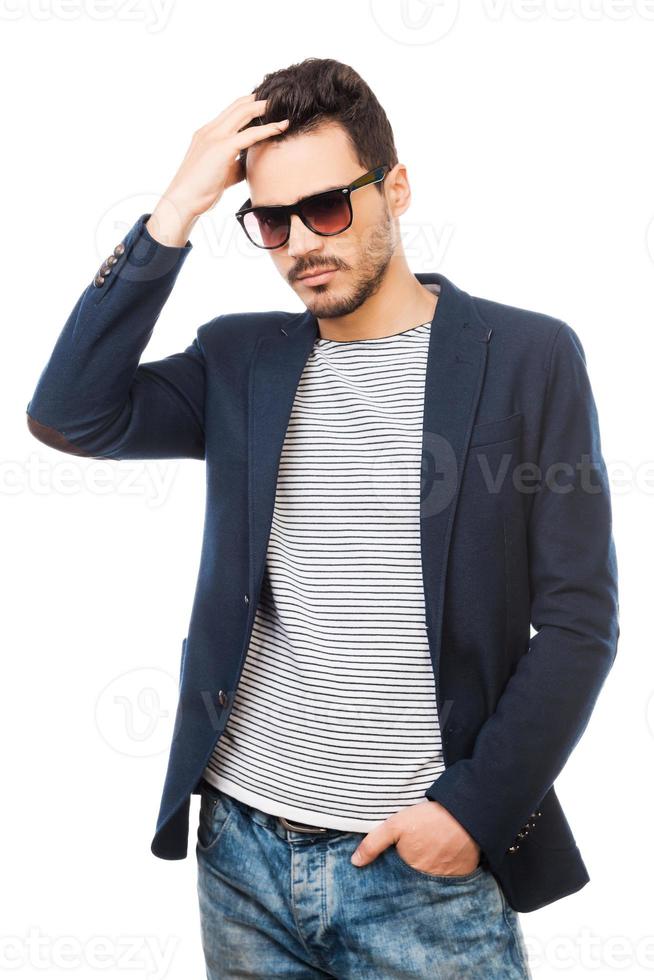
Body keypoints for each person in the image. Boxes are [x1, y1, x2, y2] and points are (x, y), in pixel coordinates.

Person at [26, 57, 619, 979]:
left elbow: (581, 621)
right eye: (272, 220)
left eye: (329, 208)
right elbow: (70, 412)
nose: (302, 240)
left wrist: (474, 811)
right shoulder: (242, 362)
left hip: (418, 870)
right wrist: (175, 208)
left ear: (397, 188)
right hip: (242, 856)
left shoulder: (526, 356)